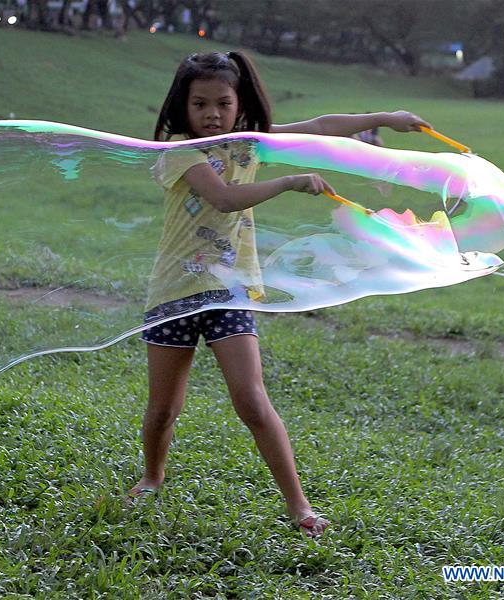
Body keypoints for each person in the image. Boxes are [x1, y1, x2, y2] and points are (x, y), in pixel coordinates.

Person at [129, 51, 430, 537]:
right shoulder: (178, 155)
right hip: (175, 294)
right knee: (163, 408)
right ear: (181, 108)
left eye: (223, 103)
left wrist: (384, 119)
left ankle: (299, 506)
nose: (211, 114)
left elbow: (319, 125)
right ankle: (152, 478)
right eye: (200, 104)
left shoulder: (250, 145)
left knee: (251, 400)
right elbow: (224, 198)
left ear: (239, 102)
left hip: (230, 294)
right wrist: (289, 182)